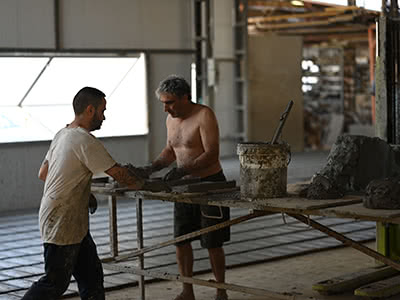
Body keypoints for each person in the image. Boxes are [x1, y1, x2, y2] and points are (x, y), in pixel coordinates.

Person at [22, 87, 145, 300]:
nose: (104, 117)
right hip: (62, 220)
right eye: (102, 111)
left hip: (69, 218)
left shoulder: (62, 133)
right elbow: (121, 176)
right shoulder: (85, 140)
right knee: (54, 283)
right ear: (90, 110)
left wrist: (82, 192)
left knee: (91, 276)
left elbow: (44, 173)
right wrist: (148, 184)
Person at [138, 75, 230, 300]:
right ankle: (187, 290)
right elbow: (171, 150)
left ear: (185, 97)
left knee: (212, 242)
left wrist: (182, 169)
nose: (165, 109)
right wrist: (151, 168)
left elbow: (211, 154)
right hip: (183, 187)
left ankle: (221, 290)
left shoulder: (204, 115)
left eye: (169, 102)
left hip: (209, 184)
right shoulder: (171, 120)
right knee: (181, 239)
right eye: (163, 103)